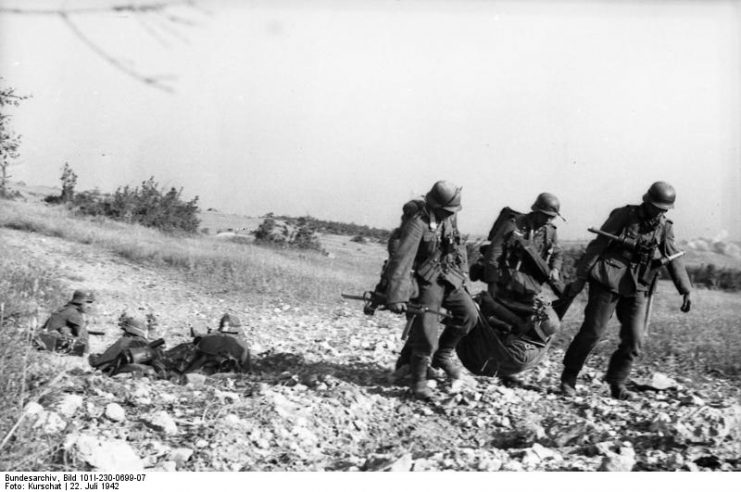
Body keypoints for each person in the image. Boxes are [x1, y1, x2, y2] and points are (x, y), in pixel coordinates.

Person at [560, 181, 692, 400]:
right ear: (647, 201)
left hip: (639, 284)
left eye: (665, 208)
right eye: (658, 206)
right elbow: (599, 244)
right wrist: (581, 277)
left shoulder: (664, 226)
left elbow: (673, 255)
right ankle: (569, 377)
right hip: (608, 279)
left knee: (635, 338)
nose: (661, 211)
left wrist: (685, 289)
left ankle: (617, 383)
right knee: (593, 331)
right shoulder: (624, 215)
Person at [456, 193, 565, 382]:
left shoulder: (550, 231)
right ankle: (480, 360)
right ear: (536, 211)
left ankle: (505, 369)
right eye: (546, 215)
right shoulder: (514, 225)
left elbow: (557, 253)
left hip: (530, 288)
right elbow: (494, 254)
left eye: (552, 217)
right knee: (495, 324)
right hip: (507, 282)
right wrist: (492, 283)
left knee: (519, 329)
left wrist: (555, 268)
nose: (548, 220)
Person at [385, 180, 477, 400]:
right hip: (426, 279)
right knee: (427, 332)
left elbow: (458, 246)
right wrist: (397, 295)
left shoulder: (449, 216)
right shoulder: (418, 223)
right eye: (447, 210)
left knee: (469, 315)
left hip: (448, 275)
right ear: (436, 205)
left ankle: (442, 357)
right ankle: (418, 383)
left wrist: (463, 275)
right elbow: (402, 259)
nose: (450, 214)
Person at [89, 315, 166, 377]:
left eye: (124, 330)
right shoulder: (142, 342)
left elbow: (101, 360)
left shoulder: (125, 340)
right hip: (117, 369)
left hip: (116, 369)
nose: (123, 333)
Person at [181, 313, 252, 375]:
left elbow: (196, 348)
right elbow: (246, 369)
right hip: (226, 374)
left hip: (200, 368)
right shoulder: (242, 345)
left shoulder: (207, 337)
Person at [34, 289, 95, 356]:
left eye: (91, 303)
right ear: (79, 302)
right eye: (87, 302)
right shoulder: (74, 314)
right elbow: (82, 339)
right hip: (56, 347)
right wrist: (86, 354)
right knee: (84, 334)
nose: (90, 306)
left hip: (44, 342)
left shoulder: (64, 309)